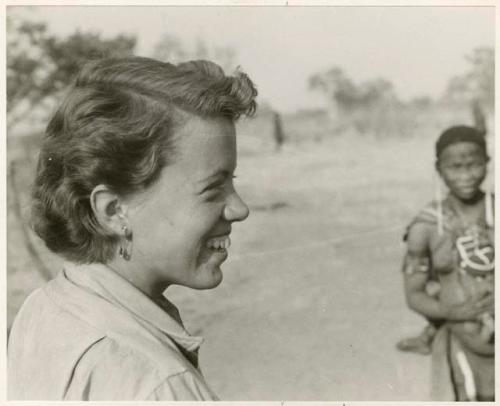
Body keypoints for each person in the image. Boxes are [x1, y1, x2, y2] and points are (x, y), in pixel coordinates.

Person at [8, 56, 257, 400]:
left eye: (232, 181)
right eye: (213, 189)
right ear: (114, 211)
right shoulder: (160, 384)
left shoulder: (43, 308)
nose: (239, 208)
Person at [401, 125, 494, 401]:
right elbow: (414, 295)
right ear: (439, 169)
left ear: (487, 164)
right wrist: (451, 311)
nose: (466, 176)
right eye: (455, 167)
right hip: (462, 350)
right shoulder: (425, 226)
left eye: (474, 165)